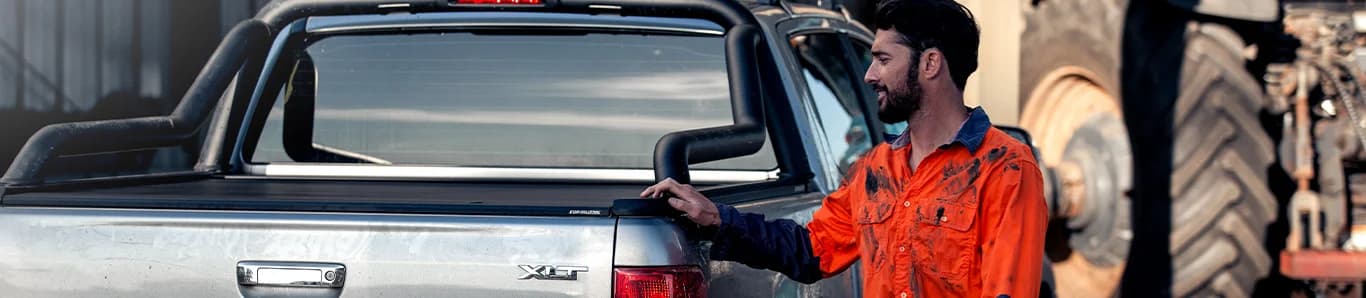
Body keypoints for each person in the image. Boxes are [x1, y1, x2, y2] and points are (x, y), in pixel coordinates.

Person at [639, 0, 1048, 297]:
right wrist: (716, 219)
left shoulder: (1006, 168)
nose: (870, 75)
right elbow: (811, 251)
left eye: (883, 59)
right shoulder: (876, 170)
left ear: (930, 64)